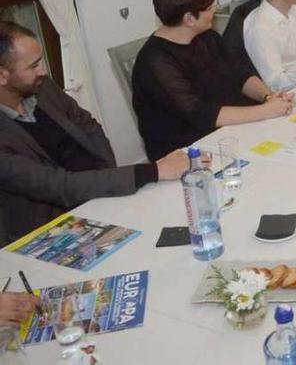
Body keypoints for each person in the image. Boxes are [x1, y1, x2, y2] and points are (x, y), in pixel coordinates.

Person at [0, 22, 189, 243]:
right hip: (47, 230)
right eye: (33, 66)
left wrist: (108, 178)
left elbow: (90, 127)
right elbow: (60, 186)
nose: (42, 71)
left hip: (99, 194)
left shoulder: (41, 87)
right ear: (2, 76)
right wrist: (152, 171)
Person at [132, 0, 294, 161]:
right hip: (189, 149)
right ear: (189, 19)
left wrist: (268, 97)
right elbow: (199, 114)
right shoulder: (155, 61)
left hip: (231, 129)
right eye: (209, 8)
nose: (214, 10)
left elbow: (239, 73)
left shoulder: (206, 36)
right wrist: (265, 111)